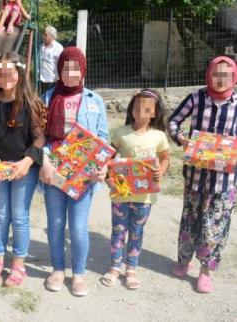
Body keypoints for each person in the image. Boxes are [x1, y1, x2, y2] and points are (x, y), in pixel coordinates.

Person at [39, 47, 109, 297]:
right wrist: (45, 161)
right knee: (56, 224)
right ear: (59, 70)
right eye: (65, 68)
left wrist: (102, 166)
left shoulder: (94, 100)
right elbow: (39, 135)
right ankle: (58, 269)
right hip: (54, 170)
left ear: (83, 70)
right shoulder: (47, 98)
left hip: (83, 174)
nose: (70, 73)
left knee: (78, 227)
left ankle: (78, 273)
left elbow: (102, 137)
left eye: (75, 68)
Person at [0, 52, 46, 287]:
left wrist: (26, 162)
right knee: (1, 214)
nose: (4, 76)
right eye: (0, 72)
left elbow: (39, 139)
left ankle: (18, 264)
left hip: (23, 170)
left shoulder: (30, 102)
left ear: (19, 74)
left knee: (19, 216)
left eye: (9, 72)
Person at [168, 56, 237, 294]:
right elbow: (173, 121)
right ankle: (184, 260)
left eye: (226, 75)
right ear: (209, 74)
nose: (220, 79)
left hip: (224, 181)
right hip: (195, 177)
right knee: (190, 220)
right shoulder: (196, 98)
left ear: (234, 78)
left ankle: (205, 271)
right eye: (216, 73)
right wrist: (182, 139)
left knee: (214, 227)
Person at [101, 89, 170, 290]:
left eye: (146, 108)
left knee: (136, 232)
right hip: (121, 195)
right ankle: (115, 266)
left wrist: (161, 171)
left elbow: (165, 159)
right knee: (118, 231)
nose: (140, 111)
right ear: (131, 109)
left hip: (145, 198)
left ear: (154, 113)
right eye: (137, 107)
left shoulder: (159, 136)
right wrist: (108, 177)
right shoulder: (121, 133)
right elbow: (108, 158)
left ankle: (131, 268)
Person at [39, 26, 64, 94]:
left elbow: (62, 65)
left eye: (45, 35)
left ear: (52, 36)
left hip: (52, 81)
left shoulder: (59, 48)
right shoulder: (41, 46)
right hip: (40, 80)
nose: (43, 36)